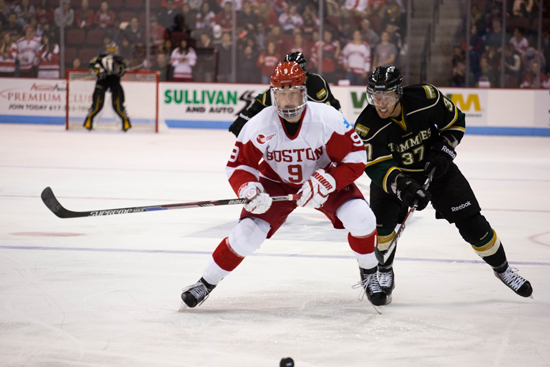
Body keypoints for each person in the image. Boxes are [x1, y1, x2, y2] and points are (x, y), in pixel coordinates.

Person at [180, 61, 386, 309]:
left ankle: (370, 273)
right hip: (275, 184)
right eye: (282, 94)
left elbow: (355, 157)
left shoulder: (327, 118)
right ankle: (205, 282)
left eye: (294, 92)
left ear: (304, 91)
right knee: (246, 235)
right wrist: (250, 189)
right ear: (273, 95)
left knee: (363, 218)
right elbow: (239, 165)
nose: (288, 101)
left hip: (321, 180)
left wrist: (329, 180)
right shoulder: (259, 124)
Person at [353, 66, 533, 304]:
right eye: (376, 97)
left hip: (438, 172)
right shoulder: (367, 125)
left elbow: (455, 122)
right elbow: (375, 165)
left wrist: (444, 149)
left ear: (398, 93)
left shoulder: (426, 98)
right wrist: (403, 186)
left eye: (386, 97)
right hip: (397, 178)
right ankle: (385, 270)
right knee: (383, 226)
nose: (381, 104)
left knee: (473, 224)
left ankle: (502, 269)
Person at [228, 51, 341, 137]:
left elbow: (331, 104)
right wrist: (245, 119)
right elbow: (258, 105)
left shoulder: (317, 82)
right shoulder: (280, 88)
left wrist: (339, 123)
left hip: (317, 133)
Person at [83, 42, 131, 132]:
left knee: (118, 106)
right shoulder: (99, 58)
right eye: (110, 48)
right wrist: (98, 72)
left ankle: (126, 123)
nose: (111, 51)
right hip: (102, 83)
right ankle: (88, 121)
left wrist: (116, 70)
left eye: (113, 49)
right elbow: (91, 67)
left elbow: (122, 72)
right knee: (97, 106)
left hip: (115, 84)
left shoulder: (119, 60)